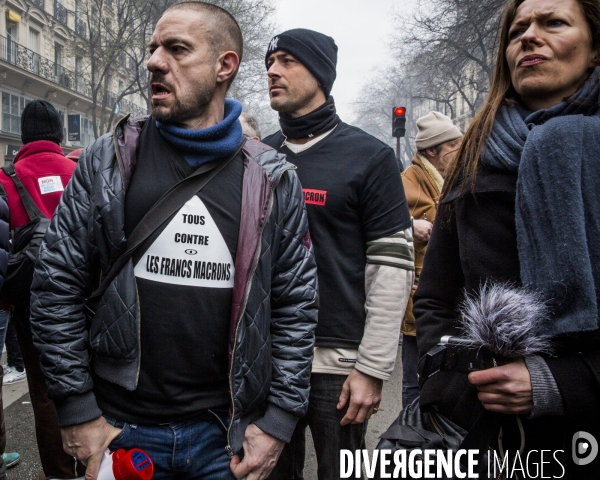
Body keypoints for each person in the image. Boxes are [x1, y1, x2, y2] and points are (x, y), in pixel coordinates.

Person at [29, 3, 318, 480]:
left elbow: (295, 307)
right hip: (120, 433)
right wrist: (77, 408)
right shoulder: (108, 160)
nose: (154, 61)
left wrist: (278, 423)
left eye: (177, 49)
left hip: (224, 440)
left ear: (224, 66)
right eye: (153, 48)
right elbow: (55, 286)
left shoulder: (271, 179)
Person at [414, 0, 600, 476]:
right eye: (518, 29)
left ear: (594, 47)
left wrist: (559, 382)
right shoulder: (476, 159)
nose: (529, 37)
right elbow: (437, 297)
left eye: (553, 22)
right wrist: (451, 381)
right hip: (486, 435)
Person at [262, 29, 413, 479]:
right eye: (269, 61)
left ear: (320, 74)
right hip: (268, 359)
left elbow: (393, 267)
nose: (272, 70)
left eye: (287, 60)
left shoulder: (371, 157)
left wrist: (372, 368)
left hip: (339, 367)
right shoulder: (256, 155)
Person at [0, 99, 81, 479]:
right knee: (88, 383)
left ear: (24, 134)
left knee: (45, 394)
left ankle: (59, 472)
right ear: (59, 134)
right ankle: (93, 464)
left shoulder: (6, 178)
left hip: (30, 304)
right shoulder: (81, 172)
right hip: (83, 301)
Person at [400, 111, 462, 406]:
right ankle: (411, 438)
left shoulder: (457, 178)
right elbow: (380, 226)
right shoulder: (407, 181)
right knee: (415, 380)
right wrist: (409, 227)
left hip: (453, 298)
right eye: (452, 146)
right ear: (431, 151)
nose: (459, 150)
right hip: (420, 298)